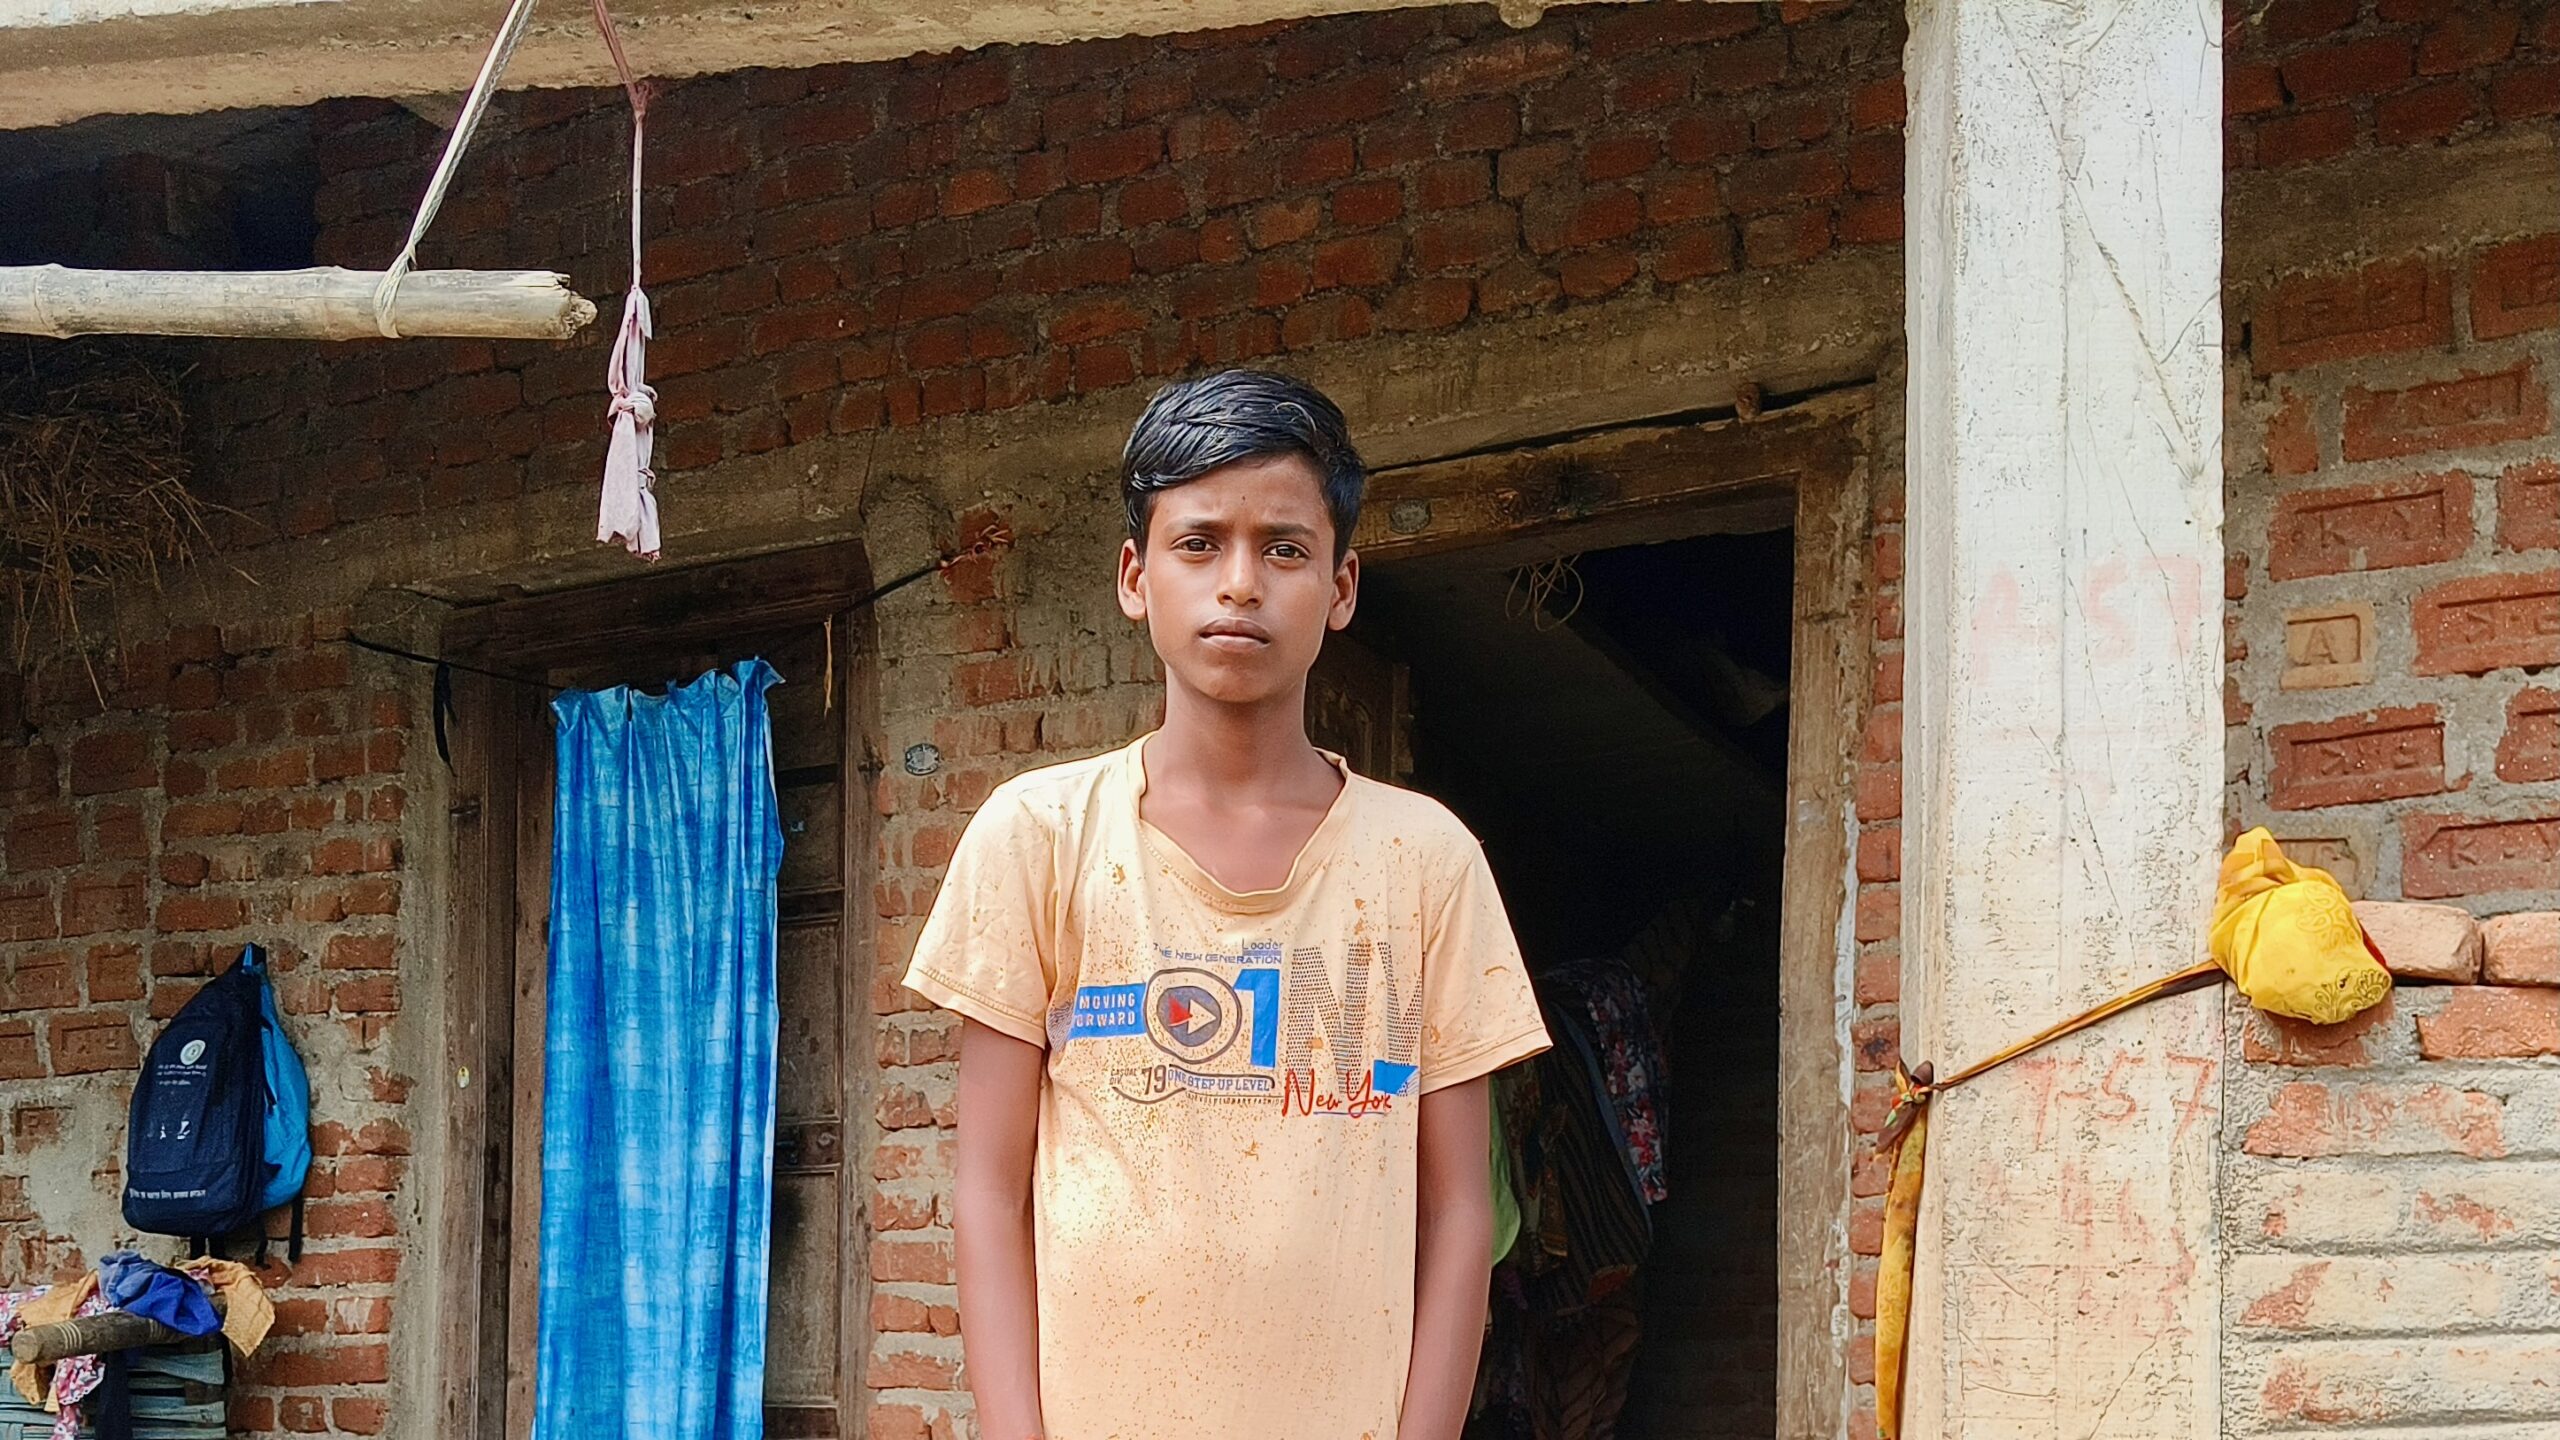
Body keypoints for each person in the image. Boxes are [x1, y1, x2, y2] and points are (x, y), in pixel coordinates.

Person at [903, 369, 1551, 1440]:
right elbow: (986, 1189)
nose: (1239, 583)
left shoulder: (1425, 860)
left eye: (1284, 549)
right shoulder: (1041, 838)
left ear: (1341, 589)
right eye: (1199, 543)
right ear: (1134, 576)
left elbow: (1460, 1213)